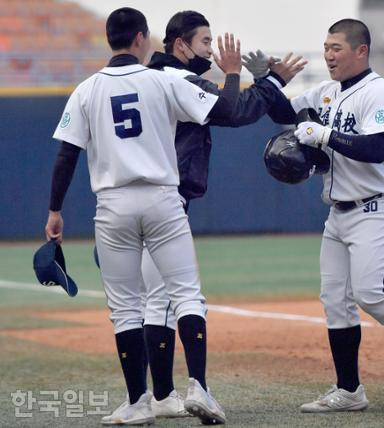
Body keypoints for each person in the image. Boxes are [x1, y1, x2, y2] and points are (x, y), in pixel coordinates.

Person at [112, 10, 306, 419]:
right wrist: (262, 80)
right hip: (164, 201)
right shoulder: (176, 78)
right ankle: (193, 388)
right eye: (204, 42)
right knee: (175, 297)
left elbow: (232, 104)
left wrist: (263, 83)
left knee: (156, 300)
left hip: (127, 201)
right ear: (179, 45)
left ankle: (161, 396)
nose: (212, 50)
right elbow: (232, 111)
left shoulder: (152, 78)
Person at [45, 7, 234, 425]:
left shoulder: (86, 90)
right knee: (185, 295)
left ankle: (138, 402)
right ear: (141, 38)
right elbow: (224, 109)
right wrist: (234, 74)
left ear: (110, 40)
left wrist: (55, 210)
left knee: (127, 309)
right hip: (163, 200)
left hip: (113, 205)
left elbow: (66, 155)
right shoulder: (162, 80)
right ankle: (199, 388)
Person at [268, 19, 384, 412]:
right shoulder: (326, 92)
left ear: (361, 51)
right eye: (326, 46)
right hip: (338, 210)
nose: (329, 54)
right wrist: (266, 80)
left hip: (378, 206)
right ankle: (350, 390)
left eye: (337, 47)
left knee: (371, 293)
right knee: (335, 299)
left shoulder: (381, 94)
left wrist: (323, 136)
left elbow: (377, 148)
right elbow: (281, 112)